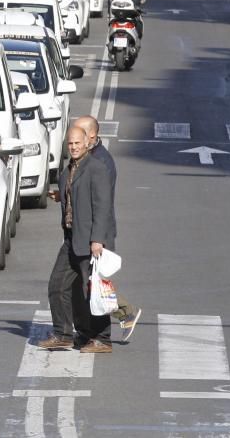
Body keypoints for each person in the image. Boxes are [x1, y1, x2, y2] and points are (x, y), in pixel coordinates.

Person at [39, 126, 116, 354]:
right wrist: (59, 195)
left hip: (90, 241)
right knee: (57, 285)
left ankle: (102, 338)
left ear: (86, 143)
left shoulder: (96, 168)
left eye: (77, 143)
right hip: (72, 239)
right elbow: (73, 194)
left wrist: (97, 240)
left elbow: (103, 208)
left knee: (91, 291)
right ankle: (63, 334)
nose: (73, 147)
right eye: (70, 144)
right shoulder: (71, 167)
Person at [74, 116, 141, 341]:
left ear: (91, 136)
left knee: (93, 285)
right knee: (84, 283)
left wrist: (97, 239)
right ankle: (85, 329)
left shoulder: (100, 162)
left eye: (80, 134)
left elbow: (101, 203)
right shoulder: (89, 157)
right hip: (87, 232)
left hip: (97, 233)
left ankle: (123, 313)